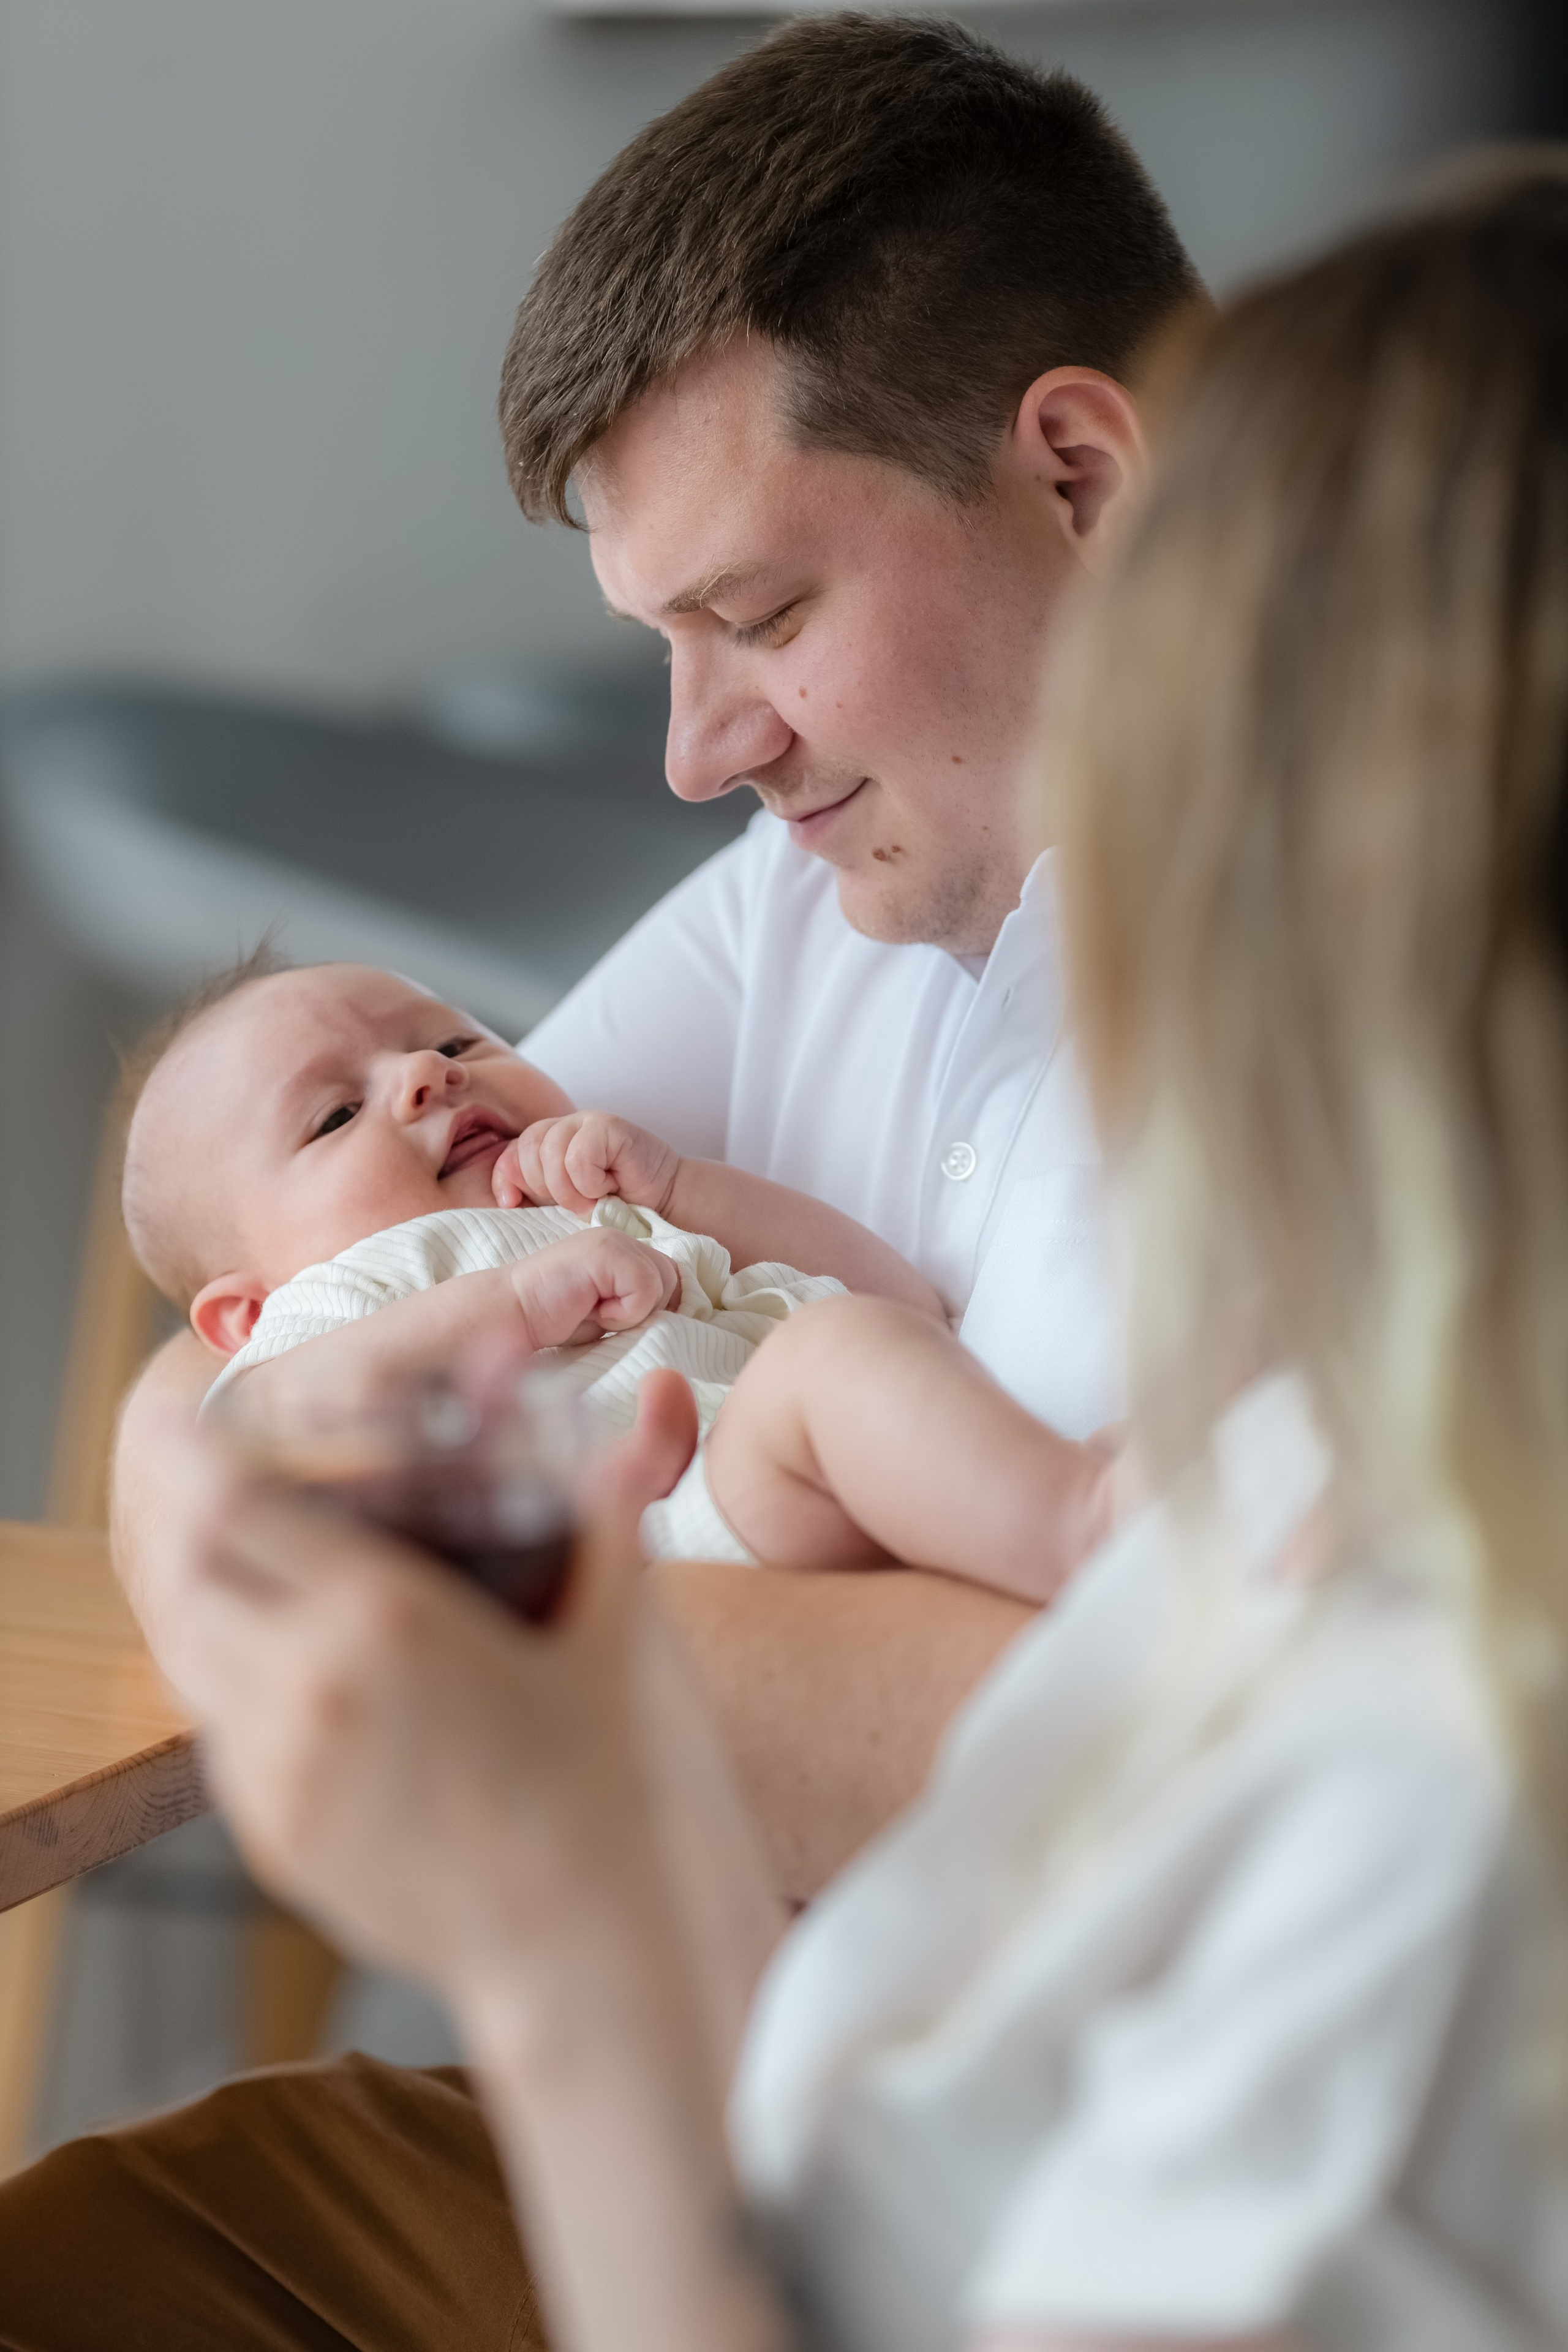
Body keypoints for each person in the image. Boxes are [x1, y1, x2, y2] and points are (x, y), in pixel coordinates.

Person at [24, 149, 1568, 2352]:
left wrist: (560, 1807)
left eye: (759, 620)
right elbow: (280, 1300)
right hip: (809, 2078)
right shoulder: (819, 893)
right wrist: (262, 1487)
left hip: (850, 2149)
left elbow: (1217, 1771)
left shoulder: (1395, 1523)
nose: (690, 750)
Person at [124, 956, 1120, 1595]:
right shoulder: (344, 1301)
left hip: (798, 1489)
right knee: (827, 1369)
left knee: (845, 1351)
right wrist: (514, 1303)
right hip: (664, 1545)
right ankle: (1093, 1534)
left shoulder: (605, 1204)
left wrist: (684, 1188)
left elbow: (905, 1305)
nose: (428, 1075)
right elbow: (247, 1440)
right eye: (335, 1117)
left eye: (454, 1039)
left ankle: (1073, 1500)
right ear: (248, 1312)